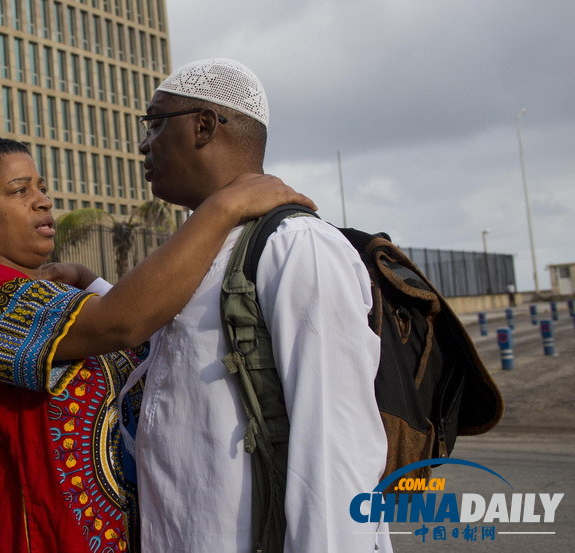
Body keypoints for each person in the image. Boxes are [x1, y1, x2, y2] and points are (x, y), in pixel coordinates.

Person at [0, 137, 314, 553]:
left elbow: (147, 344)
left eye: (42, 188)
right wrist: (223, 208)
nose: (42, 201)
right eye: (20, 190)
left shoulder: (54, 297)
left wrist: (85, 277)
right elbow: (121, 323)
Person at [127, 58, 391, 553]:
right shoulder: (202, 248)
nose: (144, 143)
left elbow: (336, 449)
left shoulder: (296, 246)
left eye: (155, 123)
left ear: (203, 125)